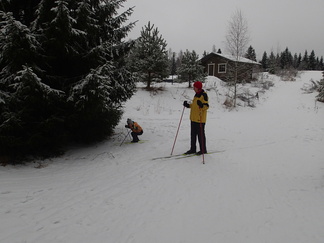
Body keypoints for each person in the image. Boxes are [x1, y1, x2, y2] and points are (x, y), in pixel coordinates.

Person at [183, 81, 209, 155]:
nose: (193, 88)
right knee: (193, 135)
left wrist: (201, 105)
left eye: (194, 87)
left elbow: (206, 106)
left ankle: (203, 150)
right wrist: (188, 105)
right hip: (193, 118)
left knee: (201, 135)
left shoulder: (203, 95)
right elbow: (194, 105)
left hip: (200, 119)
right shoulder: (196, 95)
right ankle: (193, 149)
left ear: (198, 87)